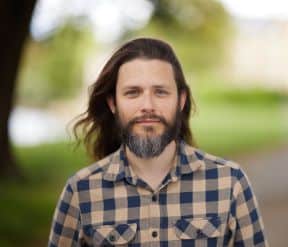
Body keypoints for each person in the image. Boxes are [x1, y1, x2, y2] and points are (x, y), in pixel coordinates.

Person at [48, 38, 268, 246]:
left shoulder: (229, 182)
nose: (148, 105)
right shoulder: (80, 192)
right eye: (133, 93)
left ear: (180, 101)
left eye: (161, 92)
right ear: (113, 103)